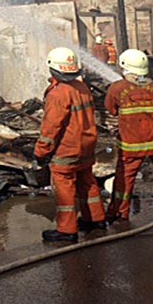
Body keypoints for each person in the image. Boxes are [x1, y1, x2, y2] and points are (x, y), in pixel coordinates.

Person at [35, 47, 106, 242]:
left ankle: (67, 230)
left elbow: (51, 129)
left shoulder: (58, 94)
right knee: (87, 181)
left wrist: (41, 152)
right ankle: (96, 218)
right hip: (87, 144)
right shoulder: (81, 88)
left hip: (68, 148)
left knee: (64, 187)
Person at [104, 49, 153, 221]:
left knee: (124, 178)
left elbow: (111, 110)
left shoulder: (117, 88)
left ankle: (119, 211)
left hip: (132, 145)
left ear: (124, 66)